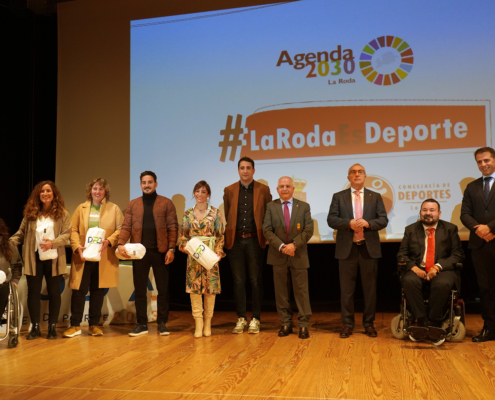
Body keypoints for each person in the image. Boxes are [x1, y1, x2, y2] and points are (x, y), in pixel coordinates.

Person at [327, 164, 388, 338]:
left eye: (360, 172)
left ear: (365, 176)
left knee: (370, 290)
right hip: (347, 249)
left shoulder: (375, 196)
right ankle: (347, 324)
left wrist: (368, 223)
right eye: (353, 172)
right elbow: (331, 219)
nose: (356, 174)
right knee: (346, 290)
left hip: (368, 248)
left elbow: (383, 220)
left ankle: (369, 324)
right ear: (348, 178)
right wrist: (349, 223)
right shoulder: (338, 197)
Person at [118, 171, 178, 337]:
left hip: (160, 253)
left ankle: (162, 323)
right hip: (139, 254)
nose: (147, 185)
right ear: (140, 185)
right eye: (144, 182)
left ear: (156, 184)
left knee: (163, 290)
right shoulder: (133, 204)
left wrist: (171, 248)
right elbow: (126, 227)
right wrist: (121, 243)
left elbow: (173, 228)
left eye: (150, 182)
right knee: (139, 290)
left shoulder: (166, 203)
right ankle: (141, 323)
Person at [397, 199, 464, 345]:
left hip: (442, 269)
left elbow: (457, 254)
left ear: (439, 213)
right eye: (424, 210)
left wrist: (438, 267)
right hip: (417, 268)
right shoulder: (410, 229)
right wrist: (414, 268)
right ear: (420, 212)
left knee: (443, 283)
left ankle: (434, 323)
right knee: (408, 280)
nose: (428, 213)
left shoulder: (450, 228)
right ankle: (421, 321)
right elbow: (402, 254)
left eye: (432, 210)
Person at [63, 178, 124, 338]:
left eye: (101, 189)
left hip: (103, 256)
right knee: (79, 291)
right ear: (90, 190)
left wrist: (109, 241)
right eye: (95, 188)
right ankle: (75, 325)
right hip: (83, 256)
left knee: (98, 292)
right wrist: (77, 247)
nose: (97, 192)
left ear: (106, 192)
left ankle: (94, 325)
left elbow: (121, 229)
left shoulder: (114, 208)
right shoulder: (81, 208)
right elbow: (73, 230)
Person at [10, 181, 71, 340]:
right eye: (42, 191)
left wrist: (53, 243)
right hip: (33, 258)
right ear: (38, 194)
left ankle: (52, 327)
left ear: (54, 193)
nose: (45, 193)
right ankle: (35, 327)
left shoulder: (63, 213)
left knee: (54, 293)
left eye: (48, 191)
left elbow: (66, 234)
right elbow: (20, 234)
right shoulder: (30, 214)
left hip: (54, 258)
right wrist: (6, 243)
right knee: (33, 293)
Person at [223, 156, 272, 334]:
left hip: (254, 240)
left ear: (253, 170)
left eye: (248, 168)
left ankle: (256, 319)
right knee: (238, 281)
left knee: (256, 280)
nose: (245, 171)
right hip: (235, 241)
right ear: (238, 170)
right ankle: (241, 318)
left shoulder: (263, 189)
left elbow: (268, 214)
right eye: (242, 168)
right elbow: (228, 214)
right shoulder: (229, 190)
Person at [263, 176, 313, 339]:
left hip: (298, 254)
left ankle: (303, 325)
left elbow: (308, 230)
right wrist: (282, 247)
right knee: (281, 293)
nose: (285, 188)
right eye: (281, 186)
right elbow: (267, 230)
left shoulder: (303, 206)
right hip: (278, 255)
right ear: (277, 190)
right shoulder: (271, 206)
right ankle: (285, 323)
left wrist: (294, 245)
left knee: (302, 292)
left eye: (288, 186)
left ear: (293, 189)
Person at [178, 181, 225, 338]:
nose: (199, 194)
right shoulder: (187, 214)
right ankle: (198, 323)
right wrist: (184, 247)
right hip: (193, 256)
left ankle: (207, 323)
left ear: (208, 194)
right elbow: (183, 235)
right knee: (195, 289)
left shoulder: (215, 213)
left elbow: (220, 235)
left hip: (210, 255)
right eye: (197, 191)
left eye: (203, 192)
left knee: (210, 288)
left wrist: (218, 251)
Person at [461, 146, 495, 342]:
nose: (483, 164)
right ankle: (489, 328)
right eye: (480, 162)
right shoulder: (472, 187)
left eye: (487, 160)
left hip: (491, 236)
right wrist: (479, 230)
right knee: (485, 289)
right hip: (480, 245)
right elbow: (464, 214)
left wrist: (489, 228)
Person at [0, 219, 22, 319]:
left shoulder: (8, 245)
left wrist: (15, 280)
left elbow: (17, 265)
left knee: (4, 288)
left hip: (2, 284)